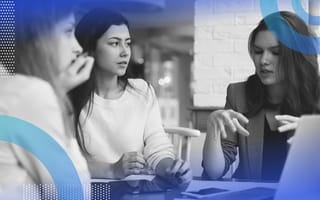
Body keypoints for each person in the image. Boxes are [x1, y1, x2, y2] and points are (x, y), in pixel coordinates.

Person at [70, 8, 192, 186]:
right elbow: (59, 160)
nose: (125, 52)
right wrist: (111, 169)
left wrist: (171, 168)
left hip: (132, 192)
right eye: (114, 43)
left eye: (127, 43)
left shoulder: (142, 91)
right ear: (91, 49)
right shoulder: (68, 96)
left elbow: (157, 146)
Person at [202, 11, 320, 181]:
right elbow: (214, 172)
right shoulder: (238, 93)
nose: (264, 60)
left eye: (276, 52)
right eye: (258, 51)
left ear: (296, 56)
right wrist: (213, 127)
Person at [0, 0, 94, 199]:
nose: (78, 47)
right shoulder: (29, 93)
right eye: (68, 31)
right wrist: (57, 96)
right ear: (38, 37)